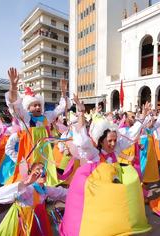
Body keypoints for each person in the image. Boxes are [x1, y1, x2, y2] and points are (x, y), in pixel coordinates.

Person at [59, 95, 152, 236]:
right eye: (109, 141)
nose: (113, 144)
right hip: (98, 196)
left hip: (113, 192)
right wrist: (81, 113)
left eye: (115, 140)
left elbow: (132, 134)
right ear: (101, 140)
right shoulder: (93, 154)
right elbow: (83, 141)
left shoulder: (116, 148)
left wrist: (143, 116)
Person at [0, 162, 67, 236]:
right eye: (38, 169)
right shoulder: (28, 189)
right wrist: (26, 183)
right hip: (22, 227)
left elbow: (62, 193)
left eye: (43, 169)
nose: (42, 171)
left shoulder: (45, 190)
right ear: (30, 173)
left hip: (37, 225)